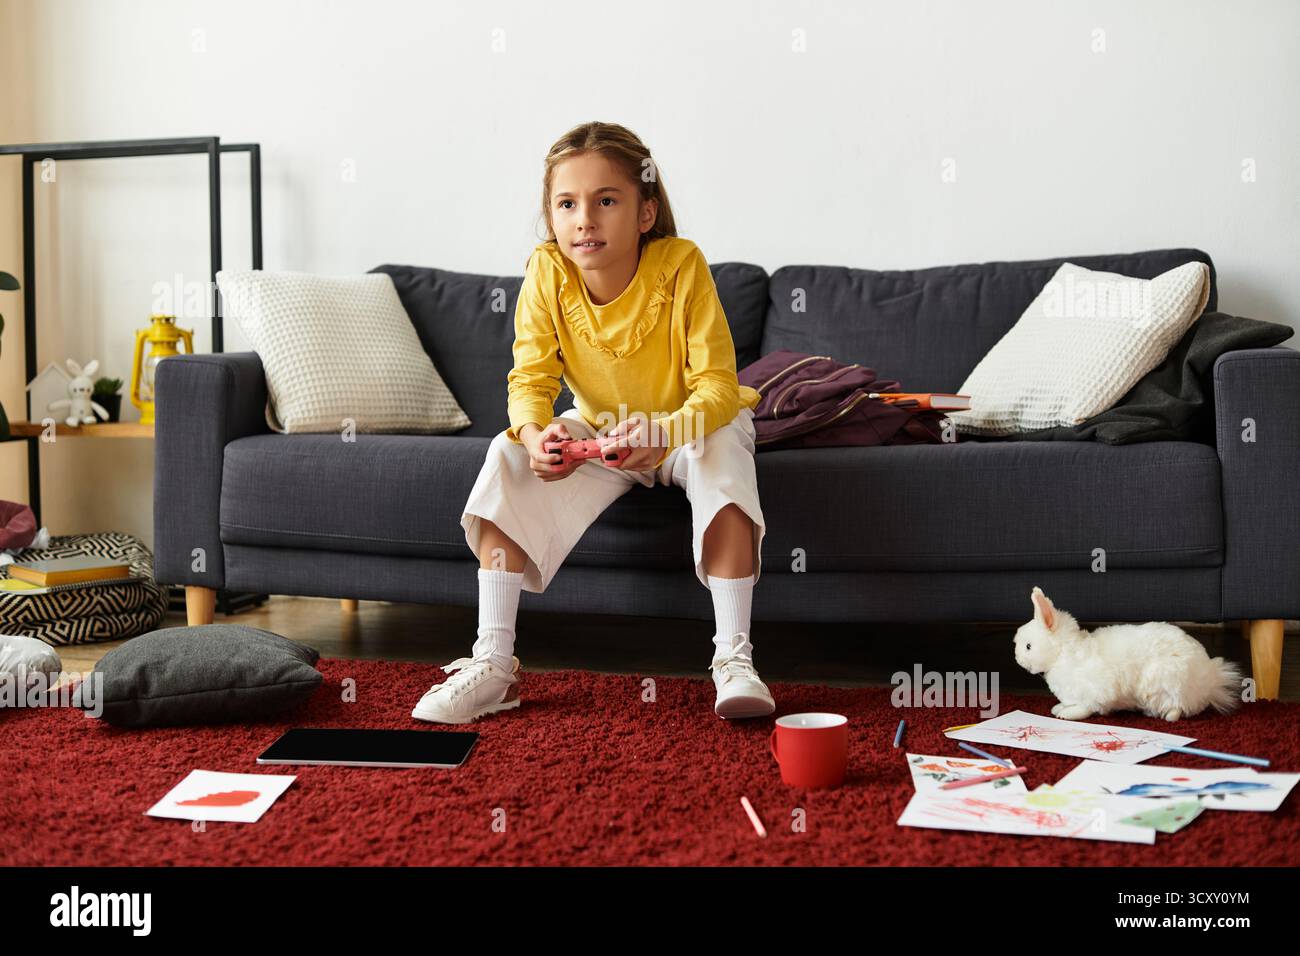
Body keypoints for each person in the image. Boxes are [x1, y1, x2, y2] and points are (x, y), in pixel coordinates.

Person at [411, 121, 772, 724]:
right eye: (567, 204)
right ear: (551, 218)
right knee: (505, 454)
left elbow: (717, 387)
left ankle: (734, 659)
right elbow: (530, 382)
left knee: (721, 448)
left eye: (607, 201)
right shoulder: (546, 272)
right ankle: (493, 664)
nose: (586, 219)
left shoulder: (681, 265)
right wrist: (535, 437)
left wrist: (662, 433)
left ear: (645, 212)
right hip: (605, 431)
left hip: (687, 426)